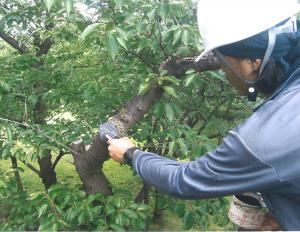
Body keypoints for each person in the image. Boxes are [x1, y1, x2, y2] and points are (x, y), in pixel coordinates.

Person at [106, 0, 300, 230]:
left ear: (252, 62)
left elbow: (185, 180)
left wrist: (131, 154)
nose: (224, 72)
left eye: (222, 62)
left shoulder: (265, 138)